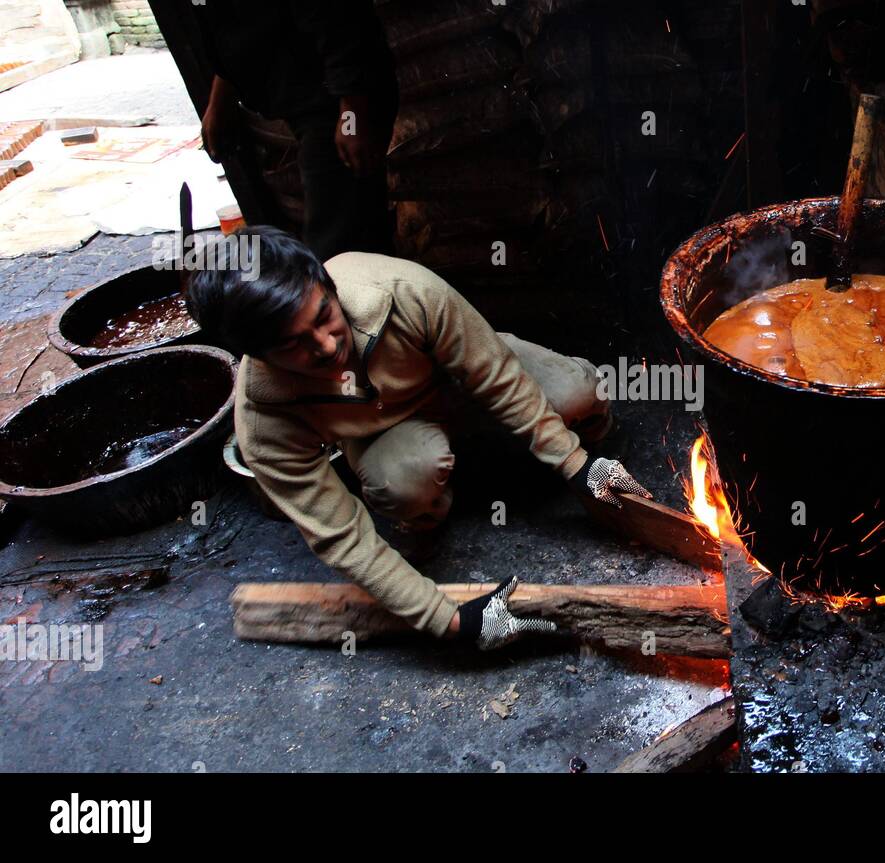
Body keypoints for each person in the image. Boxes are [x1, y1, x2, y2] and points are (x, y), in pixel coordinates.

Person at [186, 227, 652, 649]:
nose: (327, 346)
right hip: (390, 430)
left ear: (328, 287)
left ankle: (589, 425)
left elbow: (495, 376)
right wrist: (450, 621)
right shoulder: (263, 417)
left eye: (323, 316)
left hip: (458, 377)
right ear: (259, 355)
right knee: (404, 485)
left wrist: (578, 464)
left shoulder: (402, 289)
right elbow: (340, 538)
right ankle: (428, 513)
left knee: (576, 393)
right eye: (293, 345)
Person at [193, 0, 397, 261]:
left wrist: (352, 117)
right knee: (350, 231)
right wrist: (220, 97)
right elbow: (233, 25)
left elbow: (342, 21)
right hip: (304, 97)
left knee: (338, 245)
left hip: (338, 103)